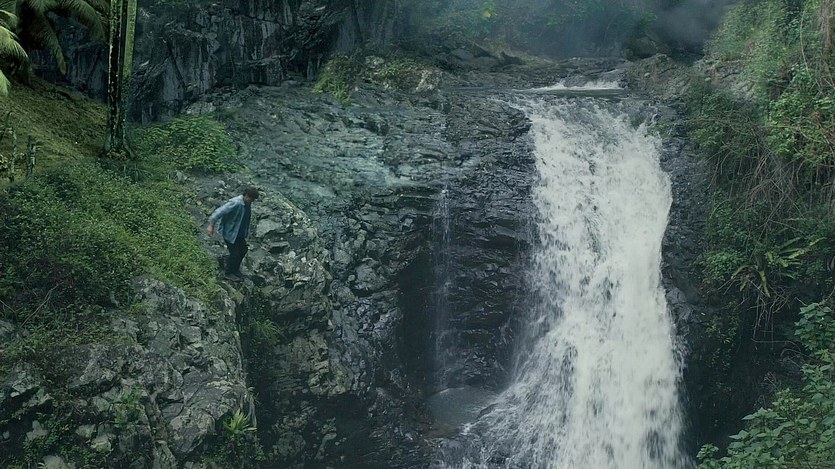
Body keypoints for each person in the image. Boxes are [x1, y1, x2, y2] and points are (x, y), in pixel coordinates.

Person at [207, 187, 259, 278]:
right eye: (251, 199)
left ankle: (235, 270)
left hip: (239, 233)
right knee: (235, 254)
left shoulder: (247, 203)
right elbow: (219, 212)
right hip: (230, 233)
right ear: (246, 196)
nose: (252, 201)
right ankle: (228, 272)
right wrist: (211, 225)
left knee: (243, 250)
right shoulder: (236, 203)